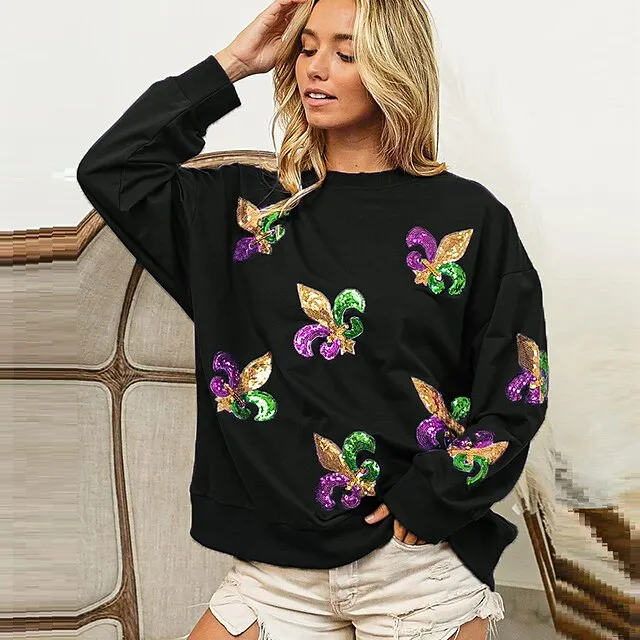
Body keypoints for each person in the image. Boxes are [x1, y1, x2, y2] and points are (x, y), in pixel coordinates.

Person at [76, 0, 549, 638]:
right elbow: (112, 170)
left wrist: (430, 498)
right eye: (306, 48)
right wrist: (234, 62)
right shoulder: (245, 213)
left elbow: (518, 390)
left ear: (395, 68)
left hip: (415, 571)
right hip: (274, 574)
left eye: (346, 53)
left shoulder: (469, 218)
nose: (316, 68)